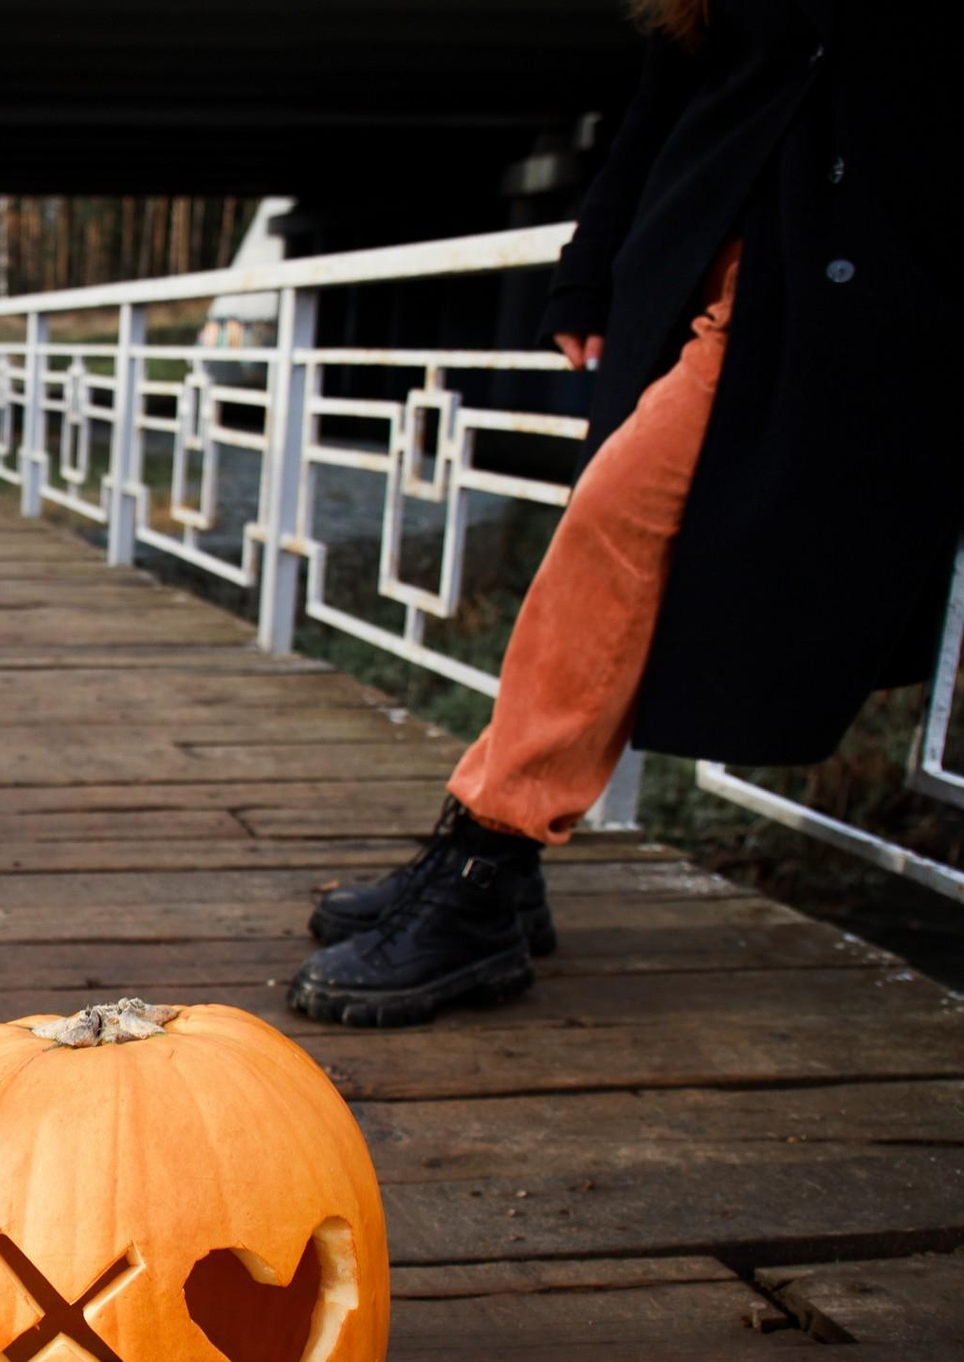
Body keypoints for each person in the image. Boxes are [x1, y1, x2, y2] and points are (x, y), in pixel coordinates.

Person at [290, 0, 963, 1028]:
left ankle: (486, 864)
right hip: (701, 260)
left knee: (611, 533)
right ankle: (495, 865)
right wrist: (588, 268)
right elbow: (663, 93)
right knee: (602, 549)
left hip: (832, 292)